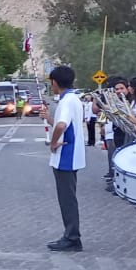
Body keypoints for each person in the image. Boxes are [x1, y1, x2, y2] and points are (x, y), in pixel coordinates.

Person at [45, 66, 85, 252]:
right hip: (73, 154)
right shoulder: (73, 98)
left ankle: (72, 236)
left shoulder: (66, 101)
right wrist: (48, 119)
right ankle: (71, 234)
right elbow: (64, 125)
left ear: (55, 82)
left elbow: (61, 125)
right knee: (68, 197)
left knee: (67, 198)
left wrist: (53, 143)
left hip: (65, 156)